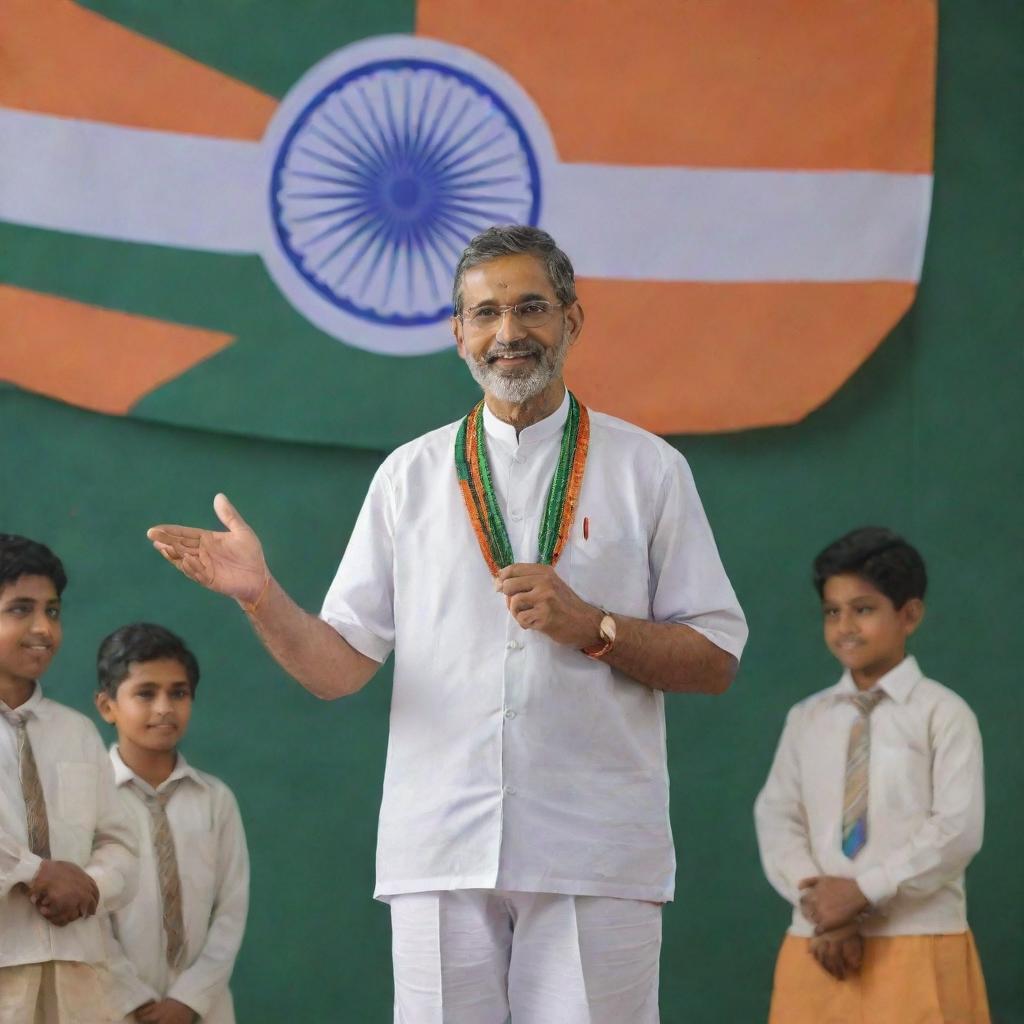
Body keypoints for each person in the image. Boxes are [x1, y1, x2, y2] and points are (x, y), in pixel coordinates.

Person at [147, 225, 747, 1023]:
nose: (508, 333)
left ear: (573, 319)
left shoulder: (650, 470)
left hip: (595, 847)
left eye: (531, 307)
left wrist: (595, 627)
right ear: (455, 331)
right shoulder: (410, 475)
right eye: (486, 312)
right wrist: (262, 596)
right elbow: (339, 669)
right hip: (438, 844)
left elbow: (714, 658)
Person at [754, 526, 990, 1024]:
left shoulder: (944, 715)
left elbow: (956, 830)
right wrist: (819, 903)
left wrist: (863, 893)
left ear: (910, 614)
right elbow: (777, 817)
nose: (845, 627)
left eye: (863, 609)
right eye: (832, 612)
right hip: (817, 945)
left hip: (918, 941)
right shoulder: (807, 717)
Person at [0, 534, 138, 1023]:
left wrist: (91, 886)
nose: (43, 628)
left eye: (52, 612)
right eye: (20, 609)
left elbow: (120, 844)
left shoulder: (77, 732)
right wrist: (35, 873)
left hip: (79, 977)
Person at [94, 623, 249, 1024]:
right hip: (111, 1007)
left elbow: (231, 911)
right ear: (107, 706)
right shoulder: (88, 802)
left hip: (205, 1009)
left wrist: (188, 1000)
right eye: (146, 693)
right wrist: (133, 998)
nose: (164, 707)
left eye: (178, 693)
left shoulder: (216, 801)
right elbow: (86, 916)